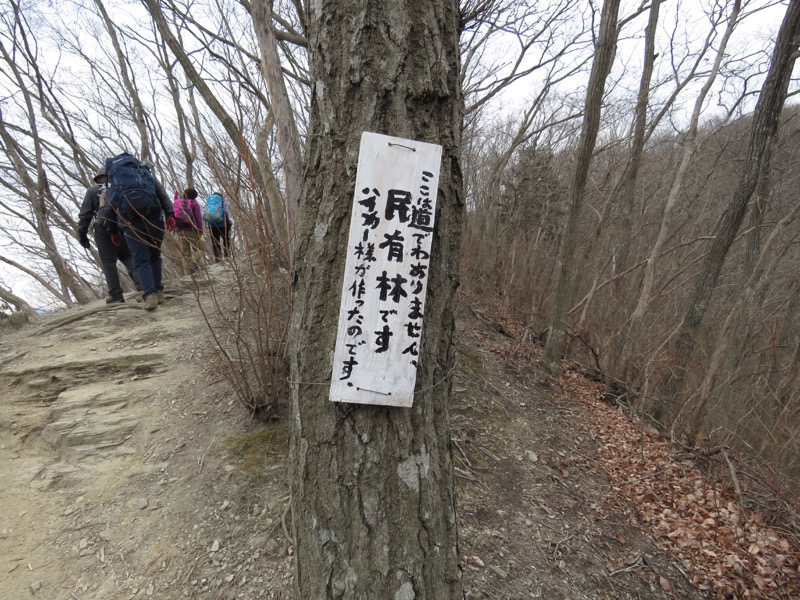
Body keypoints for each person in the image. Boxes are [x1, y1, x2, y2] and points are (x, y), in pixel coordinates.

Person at [105, 154, 175, 312]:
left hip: (130, 223)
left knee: (140, 259)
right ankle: (158, 291)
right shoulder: (144, 173)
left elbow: (110, 208)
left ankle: (150, 295)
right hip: (154, 218)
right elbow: (161, 193)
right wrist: (170, 214)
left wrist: (113, 230)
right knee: (155, 254)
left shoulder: (115, 181)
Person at [77, 166, 137, 304]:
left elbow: (85, 215)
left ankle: (116, 295)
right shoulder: (120, 187)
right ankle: (141, 285)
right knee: (128, 256)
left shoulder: (92, 191)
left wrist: (83, 235)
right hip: (124, 225)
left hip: (102, 227)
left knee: (108, 262)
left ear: (98, 178)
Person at [170, 188, 205, 275]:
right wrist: (200, 232)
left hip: (179, 230)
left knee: (185, 252)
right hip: (191, 229)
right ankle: (199, 267)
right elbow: (198, 219)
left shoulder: (178, 202)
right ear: (195, 196)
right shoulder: (194, 204)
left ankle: (188, 274)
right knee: (199, 248)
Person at [203, 192, 232, 262]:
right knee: (226, 240)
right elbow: (225, 213)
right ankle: (227, 256)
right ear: (220, 197)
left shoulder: (208, 205)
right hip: (222, 226)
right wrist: (228, 224)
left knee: (215, 242)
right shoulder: (222, 203)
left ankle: (218, 258)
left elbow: (204, 217)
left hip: (212, 226)